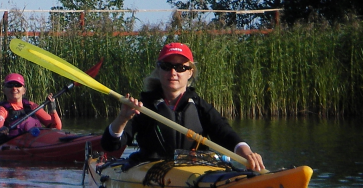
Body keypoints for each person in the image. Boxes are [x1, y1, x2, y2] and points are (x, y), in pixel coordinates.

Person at [101, 42, 265, 171]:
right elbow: (110, 146)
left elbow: (226, 134)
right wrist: (122, 119)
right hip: (151, 170)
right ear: (158, 71)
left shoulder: (200, 106)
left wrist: (248, 154)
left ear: (190, 72)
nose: (173, 73)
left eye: (180, 67)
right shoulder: (143, 107)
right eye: (166, 66)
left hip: (194, 171)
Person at [0, 73, 62, 138]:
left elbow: (57, 128)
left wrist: (53, 110)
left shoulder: (32, 106)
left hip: (36, 141)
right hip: (16, 145)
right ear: (4, 90)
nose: (14, 88)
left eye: (18, 85)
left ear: (24, 91)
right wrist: (1, 132)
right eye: (10, 85)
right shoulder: (2, 110)